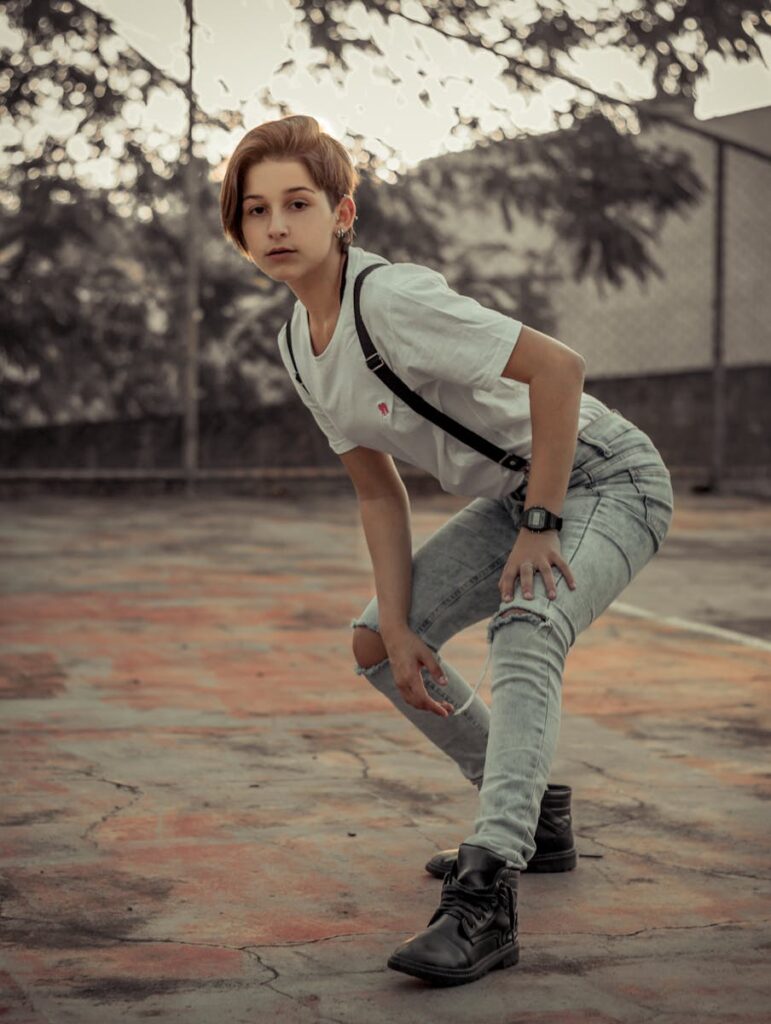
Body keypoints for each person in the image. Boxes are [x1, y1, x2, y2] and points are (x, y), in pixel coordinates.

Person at [219, 114, 674, 987]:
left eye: (297, 204)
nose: (275, 225)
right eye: (255, 209)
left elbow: (559, 369)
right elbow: (375, 491)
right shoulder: (297, 344)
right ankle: (535, 815)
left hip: (603, 477)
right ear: (238, 230)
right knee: (374, 644)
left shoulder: (389, 300)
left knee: (526, 625)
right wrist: (398, 628)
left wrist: (540, 521)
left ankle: (487, 888)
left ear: (342, 214)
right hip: (515, 495)